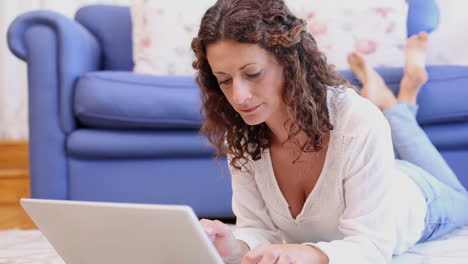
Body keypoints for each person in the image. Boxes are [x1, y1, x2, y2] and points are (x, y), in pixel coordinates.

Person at [190, 0, 468, 263]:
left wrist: (309, 255)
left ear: (288, 61)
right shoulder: (242, 137)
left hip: (414, 195)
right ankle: (397, 101)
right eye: (224, 80)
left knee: (464, 203)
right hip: (370, 175)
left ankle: (400, 103)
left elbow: (372, 244)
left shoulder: (357, 119)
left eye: (253, 73)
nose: (239, 97)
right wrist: (234, 246)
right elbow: (259, 229)